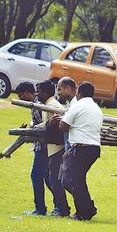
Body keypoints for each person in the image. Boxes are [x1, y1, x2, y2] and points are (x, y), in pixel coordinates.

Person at [59, 82, 103, 221]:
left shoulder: (77, 105)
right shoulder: (96, 108)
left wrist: (58, 120)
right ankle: (87, 208)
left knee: (69, 180)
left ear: (80, 93)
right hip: (94, 148)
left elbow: (63, 125)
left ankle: (84, 211)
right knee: (78, 180)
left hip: (81, 148)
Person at [16, 81, 52, 216]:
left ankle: (41, 209)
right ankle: (58, 205)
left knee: (37, 176)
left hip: (42, 146)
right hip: (42, 145)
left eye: (21, 96)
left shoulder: (37, 105)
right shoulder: (36, 104)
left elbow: (43, 125)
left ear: (26, 93)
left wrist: (31, 130)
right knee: (47, 178)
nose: (21, 99)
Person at [35, 80, 70, 217]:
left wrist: (37, 127)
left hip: (57, 147)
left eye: (39, 92)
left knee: (54, 179)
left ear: (45, 92)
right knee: (50, 178)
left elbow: (57, 125)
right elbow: (47, 124)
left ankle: (62, 209)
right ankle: (61, 207)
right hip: (52, 148)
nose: (37, 94)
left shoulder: (53, 105)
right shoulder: (48, 105)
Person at [54, 77, 78, 151]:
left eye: (59, 89)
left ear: (67, 88)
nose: (58, 93)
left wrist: (62, 119)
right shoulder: (70, 103)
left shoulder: (76, 104)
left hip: (74, 144)